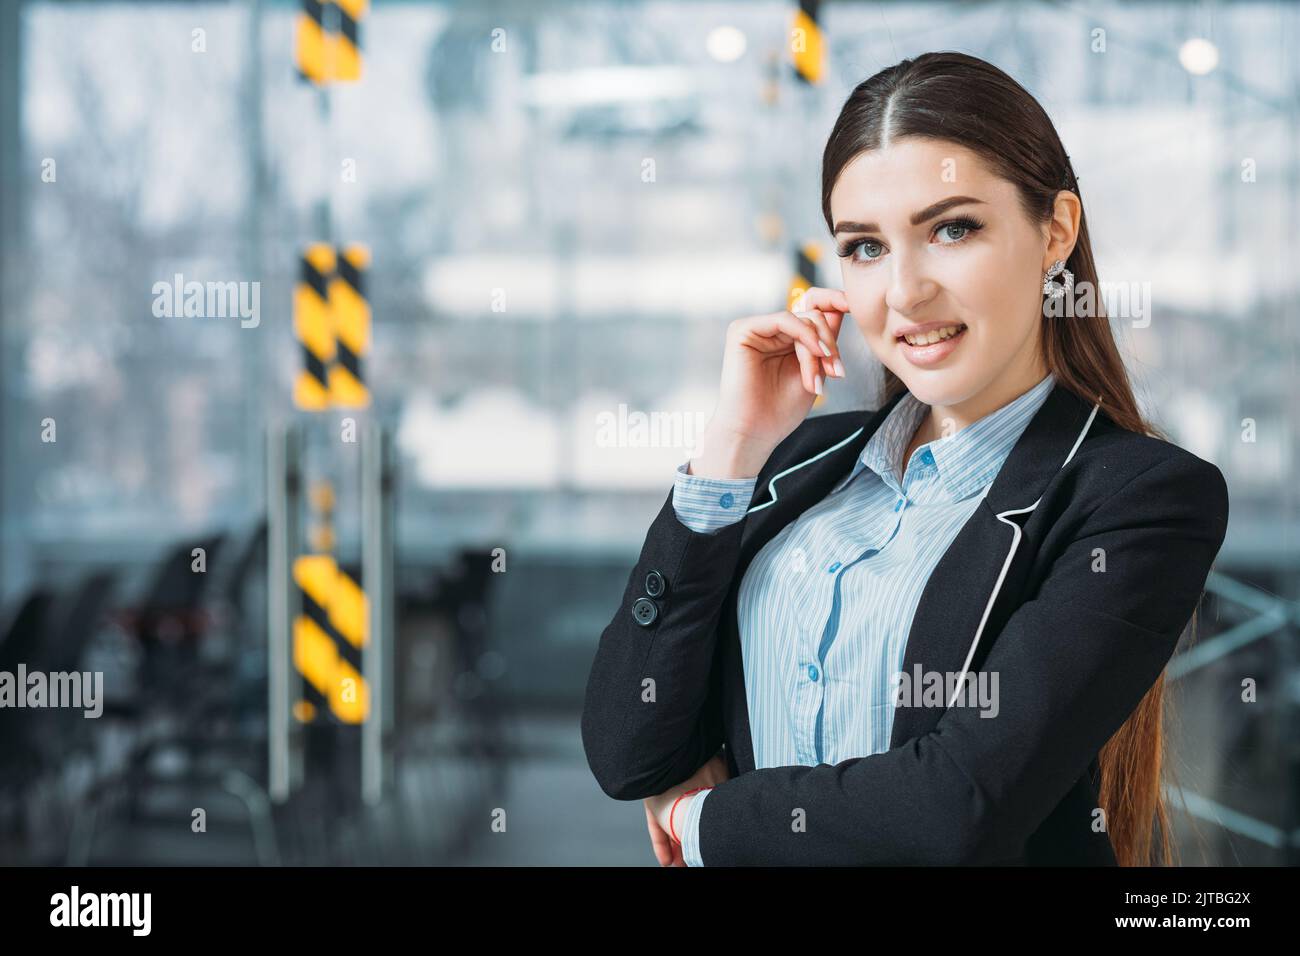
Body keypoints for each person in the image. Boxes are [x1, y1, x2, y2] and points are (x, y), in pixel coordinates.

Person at [581, 51, 1229, 866]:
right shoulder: (800, 466)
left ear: (1055, 230)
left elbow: (954, 808)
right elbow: (625, 747)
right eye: (865, 248)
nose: (905, 293)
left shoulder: (1141, 498)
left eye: (952, 229)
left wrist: (705, 821)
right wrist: (730, 450)